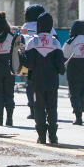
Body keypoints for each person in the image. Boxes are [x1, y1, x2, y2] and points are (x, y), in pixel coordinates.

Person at [19, 12, 65, 144]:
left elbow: (29, 63)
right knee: (52, 107)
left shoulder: (33, 41)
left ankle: (41, 136)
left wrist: (20, 55)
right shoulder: (56, 42)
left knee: (39, 107)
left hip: (37, 81)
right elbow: (61, 68)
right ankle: (53, 136)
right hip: (52, 81)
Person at [20, 4, 57, 119]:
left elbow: (21, 41)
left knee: (31, 84)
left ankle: (33, 108)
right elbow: (56, 41)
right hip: (49, 61)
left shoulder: (26, 25)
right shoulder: (49, 27)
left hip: (32, 59)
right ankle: (47, 109)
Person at [62, 20, 84, 125]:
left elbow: (64, 56)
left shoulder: (71, 41)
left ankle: (78, 115)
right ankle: (81, 106)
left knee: (74, 93)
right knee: (82, 91)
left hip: (74, 69)